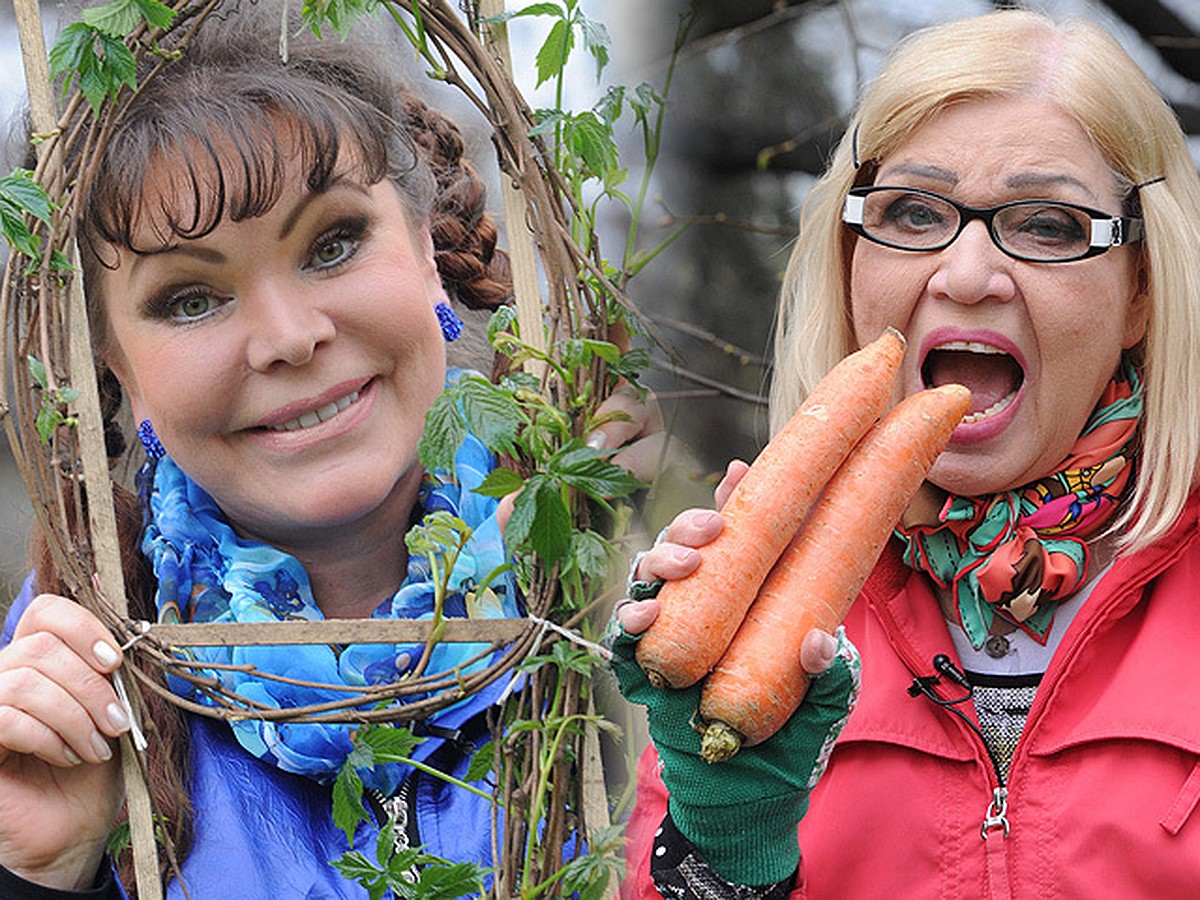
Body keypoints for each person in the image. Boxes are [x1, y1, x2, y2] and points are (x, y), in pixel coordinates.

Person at [0, 2, 657, 897]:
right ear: (114, 366)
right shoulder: (70, 677)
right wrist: (39, 875)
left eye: (334, 243)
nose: (288, 338)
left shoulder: (620, 573)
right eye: (190, 299)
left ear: (428, 252)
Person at [611, 8, 1200, 898]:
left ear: (1140, 293)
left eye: (1047, 224)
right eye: (913, 212)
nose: (965, 275)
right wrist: (725, 855)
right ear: (849, 261)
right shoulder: (739, 615)